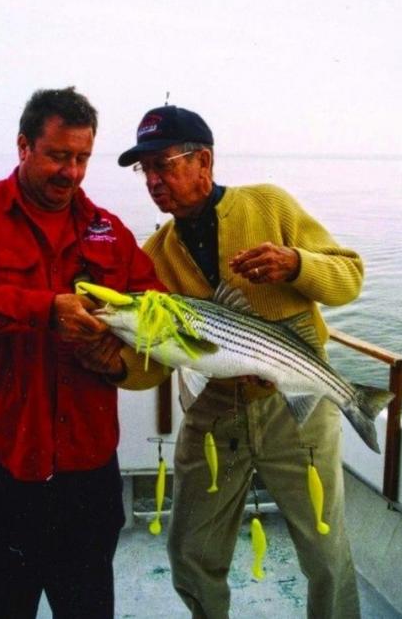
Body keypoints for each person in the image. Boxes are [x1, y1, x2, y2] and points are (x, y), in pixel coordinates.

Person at [116, 105, 365, 619]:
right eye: (146, 170)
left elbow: (349, 277)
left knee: (324, 554)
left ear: (203, 160)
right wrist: (111, 354)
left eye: (164, 164)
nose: (154, 181)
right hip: (217, 408)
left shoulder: (267, 205)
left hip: (295, 404)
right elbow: (152, 367)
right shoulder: (155, 255)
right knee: (189, 551)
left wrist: (297, 264)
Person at [0, 87, 165, 619]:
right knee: (4, 603)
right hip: (5, 464)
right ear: (23, 146)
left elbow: (158, 308)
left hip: (89, 468)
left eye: (82, 158)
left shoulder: (109, 229)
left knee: (87, 607)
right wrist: (44, 309)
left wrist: (120, 359)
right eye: (59, 156)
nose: (72, 172)